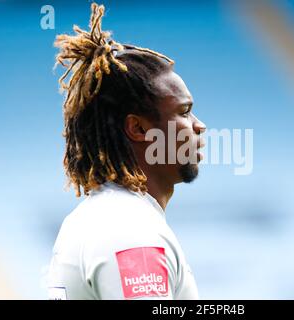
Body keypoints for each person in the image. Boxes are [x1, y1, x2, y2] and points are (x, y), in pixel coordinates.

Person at [47, 3, 206, 300]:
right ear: (138, 128)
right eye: (184, 112)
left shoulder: (105, 217)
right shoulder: (131, 230)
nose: (200, 126)